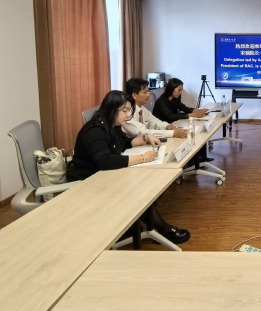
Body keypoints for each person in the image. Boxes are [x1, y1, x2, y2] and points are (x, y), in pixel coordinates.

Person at [67, 90, 190, 244]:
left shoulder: (113, 124)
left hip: (106, 175)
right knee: (137, 190)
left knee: (141, 183)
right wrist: (143, 158)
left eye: (129, 111)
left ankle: (144, 221)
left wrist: (144, 138)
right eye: (124, 111)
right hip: (88, 181)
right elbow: (104, 160)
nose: (128, 115)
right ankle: (162, 229)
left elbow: (123, 144)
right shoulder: (94, 131)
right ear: (111, 109)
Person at [122, 77, 187, 140]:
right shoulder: (126, 113)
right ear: (134, 95)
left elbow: (155, 122)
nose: (148, 95)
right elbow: (143, 132)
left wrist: (167, 126)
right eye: (144, 92)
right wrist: (172, 133)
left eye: (148, 91)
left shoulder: (142, 109)